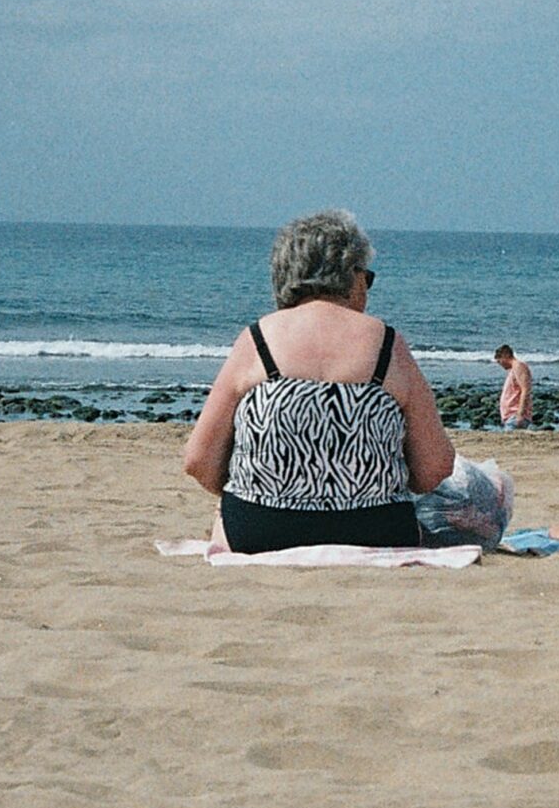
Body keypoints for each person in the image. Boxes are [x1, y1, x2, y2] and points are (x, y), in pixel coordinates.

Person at [183, 210, 456, 552]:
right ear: (351, 276)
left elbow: (198, 459)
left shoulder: (258, 340)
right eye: (367, 278)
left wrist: (266, 486)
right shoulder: (386, 343)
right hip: (377, 529)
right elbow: (435, 468)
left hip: (258, 529)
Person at [494, 344, 534, 429]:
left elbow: (525, 389)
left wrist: (520, 413)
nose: (499, 364)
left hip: (515, 415)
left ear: (506, 355)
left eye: (499, 360)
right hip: (511, 417)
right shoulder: (514, 369)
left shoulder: (518, 366)